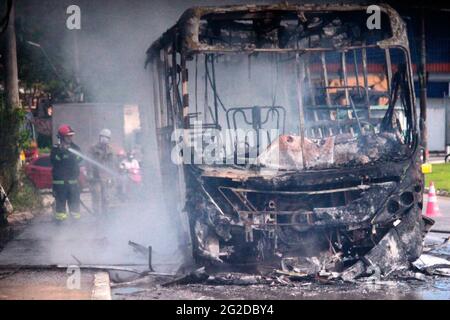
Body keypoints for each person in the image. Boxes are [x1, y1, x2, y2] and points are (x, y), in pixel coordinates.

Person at [50, 124, 82, 222]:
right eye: (68, 136)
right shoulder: (55, 149)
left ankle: (76, 226)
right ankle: (60, 227)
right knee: (60, 208)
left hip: (73, 184)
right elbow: (54, 160)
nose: (70, 138)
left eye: (71, 135)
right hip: (60, 185)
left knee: (75, 208)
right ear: (62, 137)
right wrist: (62, 153)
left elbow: (80, 158)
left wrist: (70, 155)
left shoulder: (75, 148)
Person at [87, 128, 115, 215]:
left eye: (106, 137)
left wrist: (112, 177)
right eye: (103, 136)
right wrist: (90, 174)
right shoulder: (92, 148)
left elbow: (112, 164)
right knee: (96, 195)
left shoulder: (110, 150)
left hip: (105, 177)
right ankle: (97, 214)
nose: (104, 139)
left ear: (109, 139)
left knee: (106, 197)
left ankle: (105, 214)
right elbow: (89, 162)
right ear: (99, 137)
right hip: (95, 177)